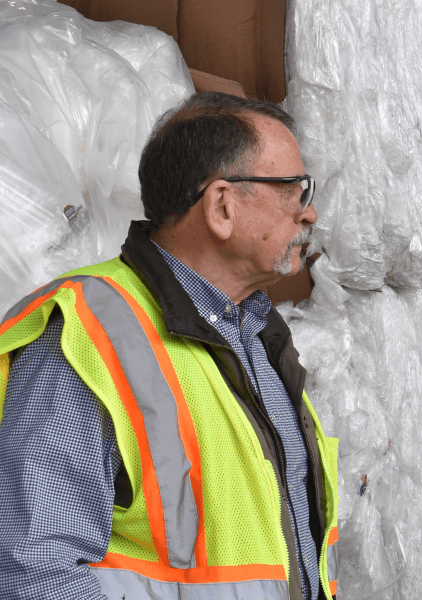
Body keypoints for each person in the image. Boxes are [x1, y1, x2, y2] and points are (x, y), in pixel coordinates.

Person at [0, 92, 339, 600]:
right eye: (295, 188)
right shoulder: (88, 332)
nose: (308, 213)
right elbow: (35, 569)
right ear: (222, 205)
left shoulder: (256, 334)